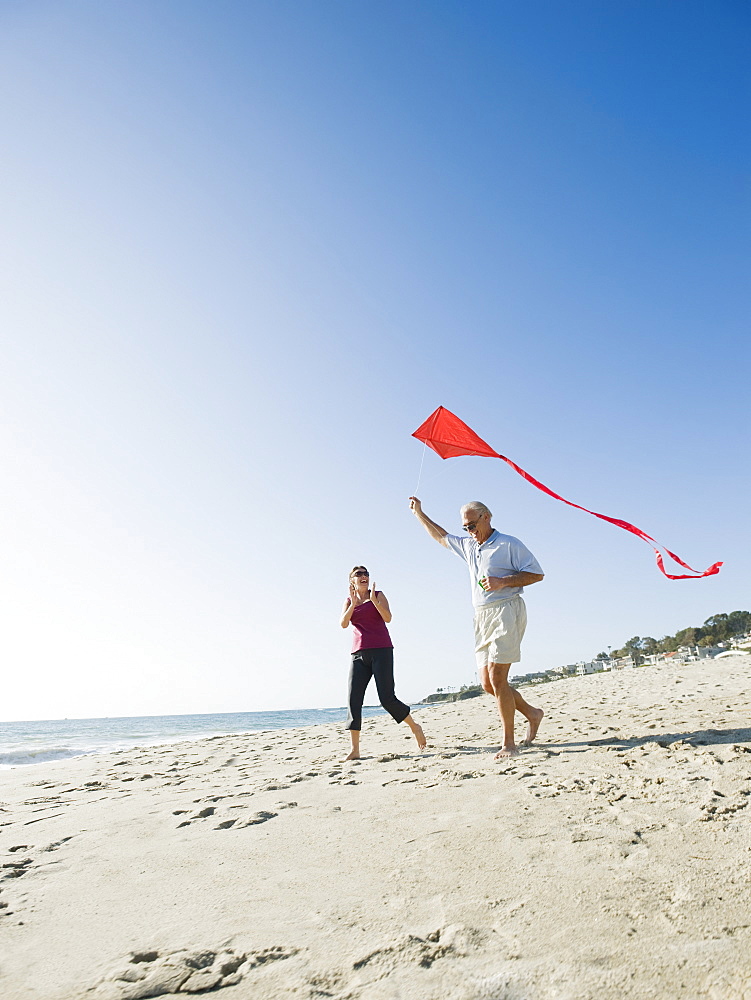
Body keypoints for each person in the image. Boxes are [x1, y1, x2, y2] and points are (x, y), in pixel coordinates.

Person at [408, 498, 544, 758]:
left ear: (487, 517)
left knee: (498, 678)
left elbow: (537, 574)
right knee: (487, 684)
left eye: (472, 525)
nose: (470, 531)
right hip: (481, 616)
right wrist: (419, 514)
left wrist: (503, 582)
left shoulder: (509, 544)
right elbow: (441, 537)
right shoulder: (470, 547)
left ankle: (509, 744)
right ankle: (532, 713)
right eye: (466, 528)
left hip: (507, 609)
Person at [340, 565, 427, 761]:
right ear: (352, 581)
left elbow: (388, 618)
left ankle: (415, 727)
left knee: (387, 698)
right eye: (359, 574)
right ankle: (355, 749)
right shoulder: (349, 601)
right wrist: (353, 604)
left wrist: (373, 601)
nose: (364, 576)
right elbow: (344, 624)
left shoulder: (378, 595)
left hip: (382, 650)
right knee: (353, 700)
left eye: (366, 574)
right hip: (358, 654)